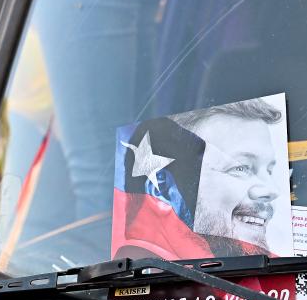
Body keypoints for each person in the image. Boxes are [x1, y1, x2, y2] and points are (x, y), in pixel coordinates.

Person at [112, 98, 284, 261]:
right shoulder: (150, 286)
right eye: (241, 168)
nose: (272, 190)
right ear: (161, 188)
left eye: (269, 170)